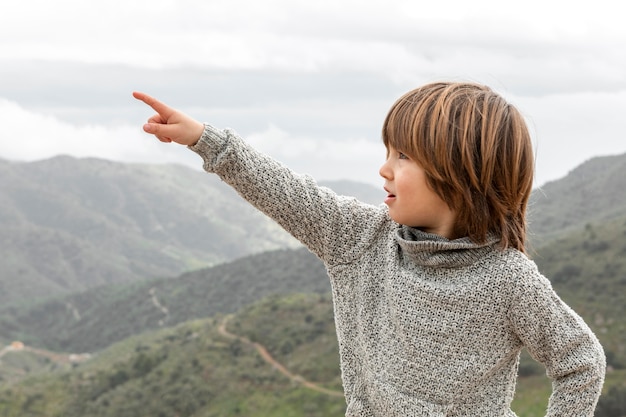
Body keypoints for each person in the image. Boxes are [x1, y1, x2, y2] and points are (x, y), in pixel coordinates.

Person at [133, 82, 605, 416]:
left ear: (459, 173)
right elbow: (288, 192)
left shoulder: (509, 280)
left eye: (402, 156)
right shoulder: (362, 239)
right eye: (387, 152)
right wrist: (204, 139)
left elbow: (580, 361)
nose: (384, 169)